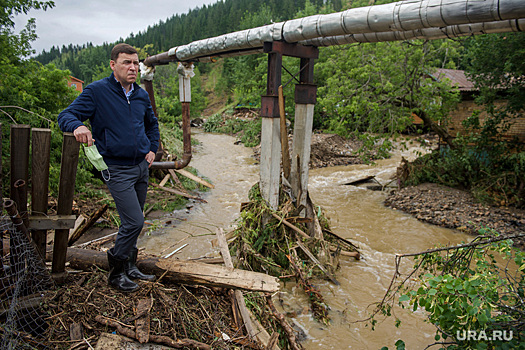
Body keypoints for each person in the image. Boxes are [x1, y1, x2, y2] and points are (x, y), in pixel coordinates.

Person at [58, 43, 159, 292]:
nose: (133, 68)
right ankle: (115, 272)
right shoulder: (97, 92)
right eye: (127, 62)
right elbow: (66, 115)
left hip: (140, 167)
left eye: (136, 63)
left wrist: (152, 149)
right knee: (134, 222)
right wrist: (77, 126)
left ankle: (130, 266)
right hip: (116, 169)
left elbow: (152, 124)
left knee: (133, 220)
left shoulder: (140, 95)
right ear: (113, 65)